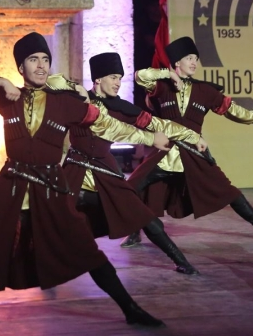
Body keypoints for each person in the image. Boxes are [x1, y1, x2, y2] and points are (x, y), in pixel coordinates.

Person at [0, 33, 169, 336]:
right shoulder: (5, 97)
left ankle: (131, 309)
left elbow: (107, 124)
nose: (41, 66)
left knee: (87, 252)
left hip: (51, 188)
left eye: (45, 60)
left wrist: (149, 137)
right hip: (10, 187)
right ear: (21, 67)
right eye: (33, 60)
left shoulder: (65, 103)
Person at [50, 52, 206, 274]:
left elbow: (160, 124)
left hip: (106, 172)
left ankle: (182, 262)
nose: (118, 83)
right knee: (52, 218)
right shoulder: (77, 99)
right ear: (98, 79)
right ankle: (43, 265)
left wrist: (193, 136)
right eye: (113, 77)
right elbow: (51, 82)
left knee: (146, 218)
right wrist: (75, 87)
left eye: (120, 78)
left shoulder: (121, 107)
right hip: (76, 171)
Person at [121, 37, 253, 247]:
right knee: (133, 187)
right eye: (189, 58)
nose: (194, 63)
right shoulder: (161, 87)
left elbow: (233, 110)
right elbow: (140, 76)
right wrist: (168, 74)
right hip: (164, 153)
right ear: (177, 62)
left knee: (228, 192)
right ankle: (134, 232)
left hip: (194, 154)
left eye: (196, 59)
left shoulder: (205, 91)